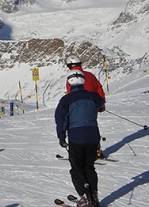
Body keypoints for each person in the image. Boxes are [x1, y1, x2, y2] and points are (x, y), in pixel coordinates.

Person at [56, 71, 105, 207]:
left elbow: (61, 119)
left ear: (69, 83)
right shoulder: (93, 97)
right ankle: (93, 195)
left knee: (76, 168)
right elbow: (100, 103)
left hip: (77, 137)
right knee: (89, 167)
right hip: (93, 135)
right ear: (83, 81)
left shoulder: (67, 100)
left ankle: (84, 196)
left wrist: (61, 136)